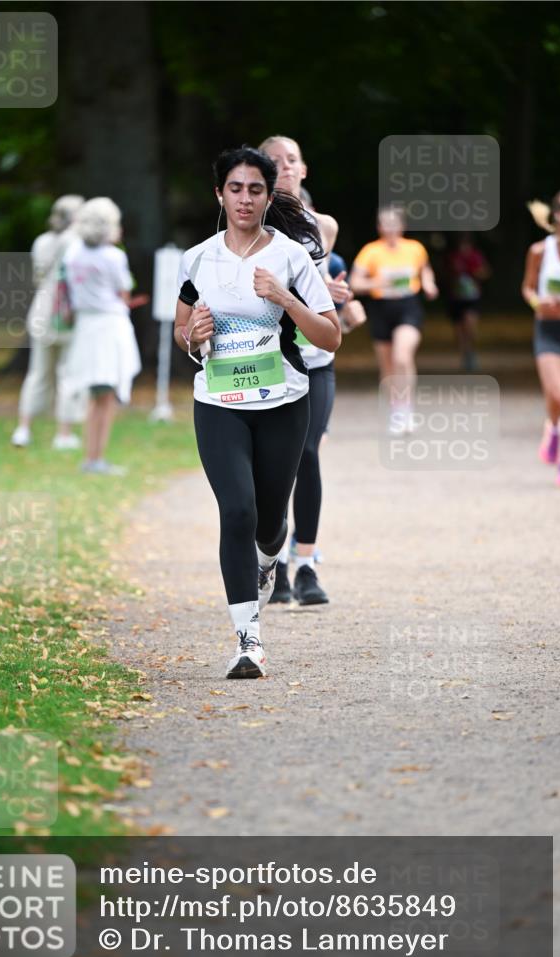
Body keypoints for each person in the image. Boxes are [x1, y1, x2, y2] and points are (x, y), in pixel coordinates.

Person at [174, 146, 340, 678]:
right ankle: (249, 641)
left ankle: (272, 557)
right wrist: (191, 336)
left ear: (269, 197)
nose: (245, 199)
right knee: (237, 511)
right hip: (219, 402)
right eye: (235, 188)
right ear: (219, 194)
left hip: (283, 402)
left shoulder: (292, 256)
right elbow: (183, 332)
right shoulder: (196, 258)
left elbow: (331, 337)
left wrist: (288, 300)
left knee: (270, 523)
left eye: (255, 190)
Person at [259, 135, 365, 606]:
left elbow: (322, 281)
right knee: (272, 462)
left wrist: (339, 299)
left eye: (292, 160)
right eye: (273, 162)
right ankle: (272, 561)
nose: (283, 167)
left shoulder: (324, 225)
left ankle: (305, 565)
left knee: (307, 452)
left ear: (304, 170)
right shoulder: (247, 221)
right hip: (265, 357)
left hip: (315, 358)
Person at [62, 197, 142, 475]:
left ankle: (91, 455)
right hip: (109, 327)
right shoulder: (114, 256)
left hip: (86, 328)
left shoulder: (72, 253)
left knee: (94, 395)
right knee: (106, 396)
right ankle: (96, 458)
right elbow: (124, 293)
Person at [350, 206, 438, 436]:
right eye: (384, 223)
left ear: (402, 226)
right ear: (379, 227)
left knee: (402, 356)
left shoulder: (415, 248)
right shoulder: (370, 251)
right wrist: (378, 284)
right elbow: (355, 283)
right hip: (381, 309)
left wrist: (429, 284)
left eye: (393, 223)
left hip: (408, 307)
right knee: (388, 367)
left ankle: (407, 409)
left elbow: (425, 270)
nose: (389, 228)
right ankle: (396, 412)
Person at [11, 195, 87, 449]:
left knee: (37, 374)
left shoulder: (41, 241)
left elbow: (37, 277)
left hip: (41, 311)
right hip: (65, 314)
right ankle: (63, 433)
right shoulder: (76, 241)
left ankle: (23, 429)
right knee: (67, 373)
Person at [522, 189, 560, 488]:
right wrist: (537, 304)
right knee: (558, 396)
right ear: (555, 214)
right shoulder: (540, 251)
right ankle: (553, 426)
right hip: (550, 330)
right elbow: (528, 288)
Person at [443, 233, 491, 372]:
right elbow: (444, 275)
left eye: (466, 245)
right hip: (456, 298)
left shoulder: (476, 256)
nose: (464, 248)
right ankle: (465, 354)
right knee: (459, 331)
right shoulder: (452, 257)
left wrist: (475, 272)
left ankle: (471, 352)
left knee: (470, 326)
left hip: (472, 297)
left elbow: (485, 272)